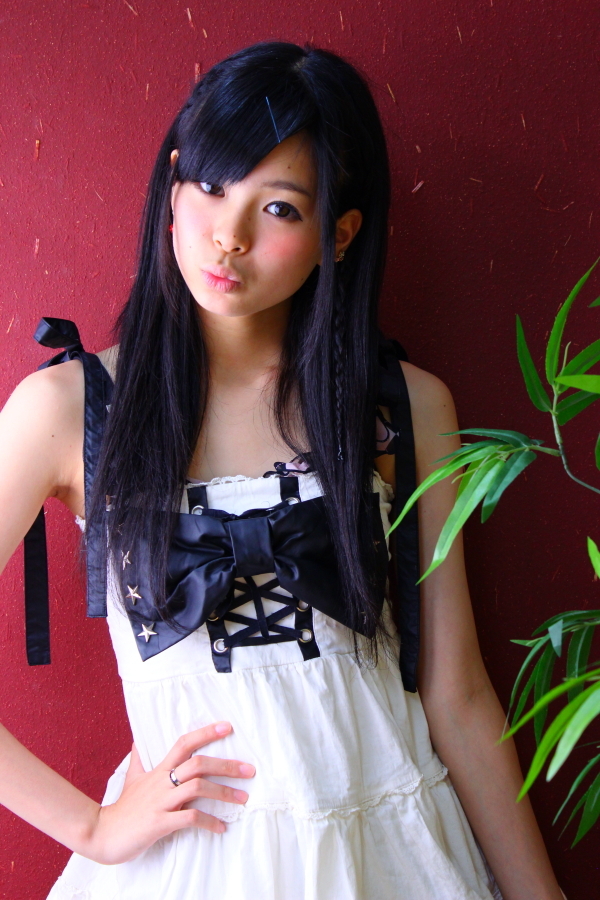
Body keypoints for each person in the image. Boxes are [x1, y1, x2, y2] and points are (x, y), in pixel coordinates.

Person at [0, 41, 565, 900]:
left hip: (391, 853)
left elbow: (457, 694)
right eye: (211, 187)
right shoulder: (66, 409)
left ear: (339, 234)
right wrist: (92, 828)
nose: (227, 236)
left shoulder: (402, 406)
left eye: (278, 208)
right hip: (189, 862)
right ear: (173, 184)